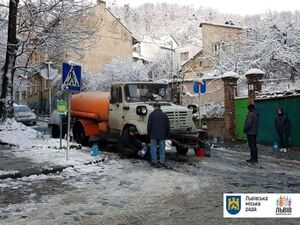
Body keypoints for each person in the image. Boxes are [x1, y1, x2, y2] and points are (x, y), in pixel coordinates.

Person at [147, 102, 171, 167]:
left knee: (153, 148)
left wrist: (148, 133)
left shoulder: (151, 115)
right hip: (162, 135)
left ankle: (154, 161)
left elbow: (149, 126)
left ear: (154, 107)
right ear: (160, 107)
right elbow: (167, 126)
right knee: (162, 148)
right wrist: (168, 135)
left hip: (153, 135)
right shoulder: (164, 115)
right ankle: (162, 161)